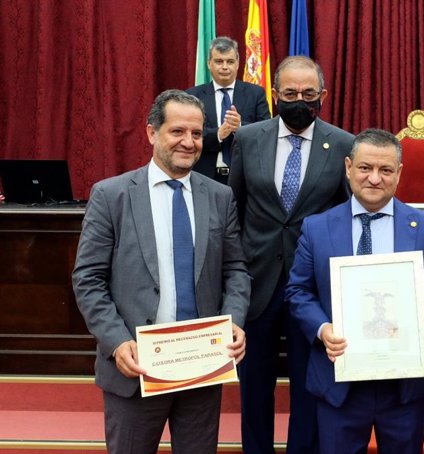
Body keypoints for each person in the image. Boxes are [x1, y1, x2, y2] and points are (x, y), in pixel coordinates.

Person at [72, 89, 251, 454]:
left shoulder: (220, 197)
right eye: (177, 132)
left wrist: (233, 320)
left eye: (197, 134)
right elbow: (88, 280)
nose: (189, 142)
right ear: (152, 133)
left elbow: (235, 269)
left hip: (202, 367)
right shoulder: (111, 195)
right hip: (135, 368)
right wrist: (116, 341)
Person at [285, 128, 424, 454]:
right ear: (348, 167)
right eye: (365, 168)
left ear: (399, 173)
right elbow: (298, 291)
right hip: (339, 381)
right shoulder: (317, 227)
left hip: (404, 384)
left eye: (385, 170)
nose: (374, 178)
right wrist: (323, 329)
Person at [229, 55, 354, 454]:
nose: (299, 100)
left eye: (308, 93)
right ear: (275, 94)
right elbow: (236, 207)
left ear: (323, 96)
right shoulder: (248, 139)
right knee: (254, 388)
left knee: (309, 385)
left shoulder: (345, 144)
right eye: (290, 93)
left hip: (315, 288)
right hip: (257, 281)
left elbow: (347, 216)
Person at [187, 36, 271, 183]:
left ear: (238, 63)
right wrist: (219, 133)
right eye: (219, 61)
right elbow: (189, 135)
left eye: (230, 62)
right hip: (205, 176)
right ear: (209, 63)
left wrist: (239, 127)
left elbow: (267, 132)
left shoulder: (256, 93)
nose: (225, 67)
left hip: (246, 177)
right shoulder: (193, 96)